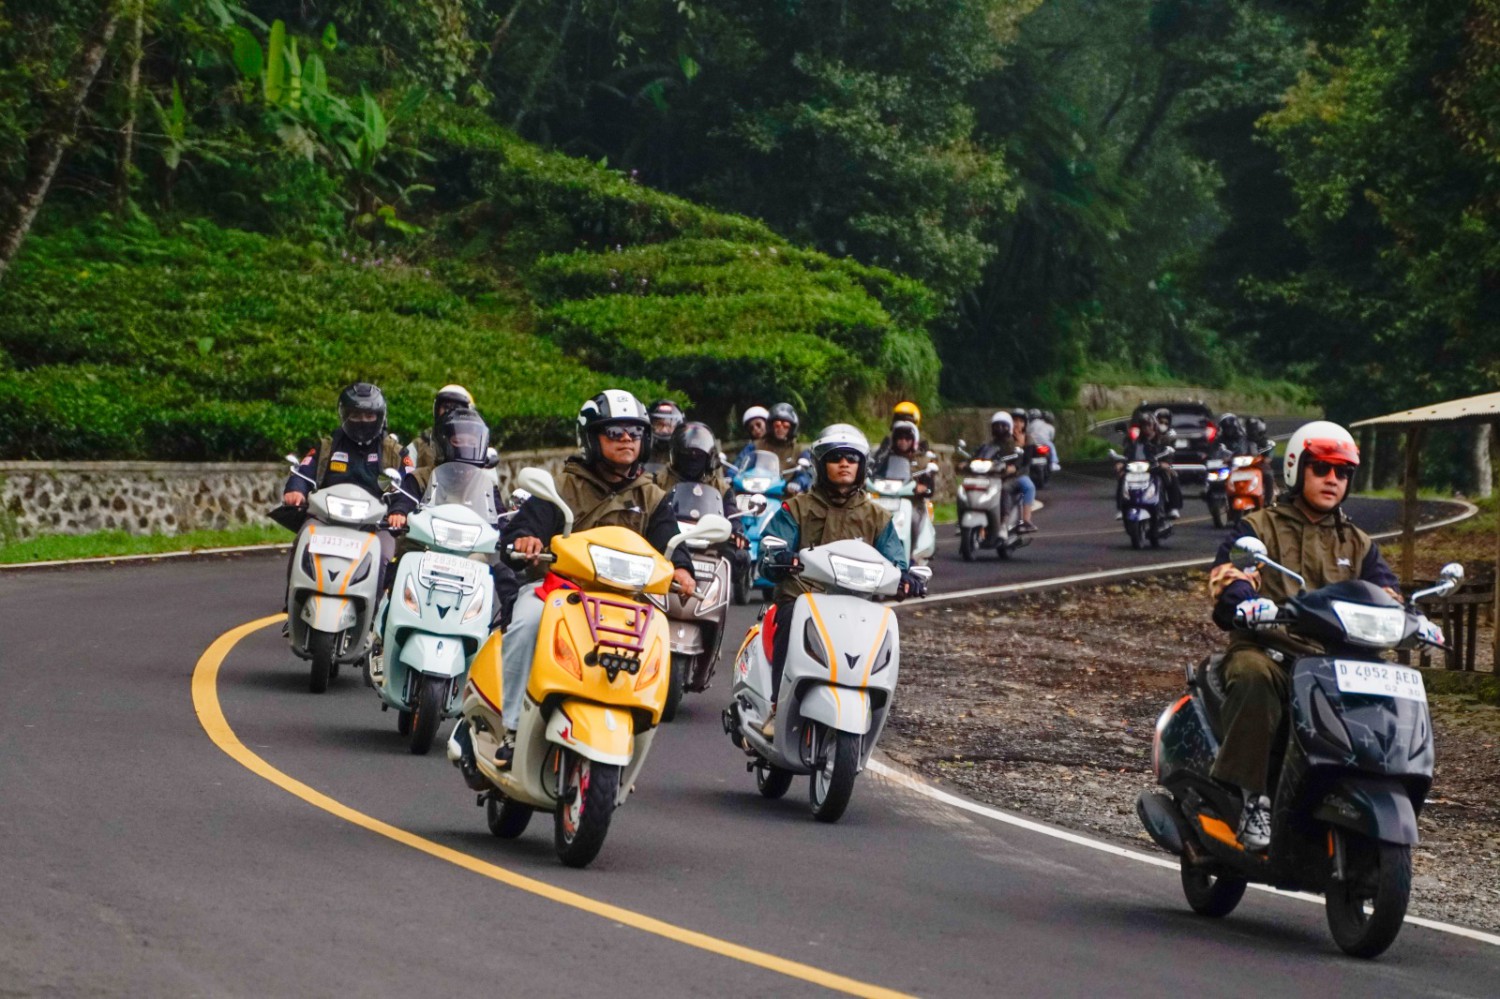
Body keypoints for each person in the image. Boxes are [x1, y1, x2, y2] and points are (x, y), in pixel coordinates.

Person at [1205, 421, 1406, 850]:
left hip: (1339, 663)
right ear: (1298, 469)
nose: (1333, 479)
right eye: (1321, 468)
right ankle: (1248, 798)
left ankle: (1373, 790)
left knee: (1393, 689)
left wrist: (1413, 618)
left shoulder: (1358, 542)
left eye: (1343, 472)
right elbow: (1228, 574)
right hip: (1273, 650)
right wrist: (1244, 599)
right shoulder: (1259, 527)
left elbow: (1387, 591)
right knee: (1253, 677)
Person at [495, 390, 697, 767]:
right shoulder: (563, 485)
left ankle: (632, 730)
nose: (626, 440)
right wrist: (526, 539)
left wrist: (682, 568)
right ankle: (512, 728)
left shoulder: (653, 496)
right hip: (558, 592)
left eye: (634, 434)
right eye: (614, 432)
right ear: (591, 438)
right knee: (525, 624)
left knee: (658, 637)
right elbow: (527, 525)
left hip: (623, 602)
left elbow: (669, 541)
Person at [757, 424, 925, 735]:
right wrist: (779, 558)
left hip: (856, 603)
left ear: (862, 466)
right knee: (791, 618)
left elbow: (896, 560)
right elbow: (771, 547)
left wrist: (906, 577)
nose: (844, 464)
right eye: (836, 458)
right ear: (822, 465)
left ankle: (869, 702)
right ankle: (776, 706)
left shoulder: (877, 516)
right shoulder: (797, 508)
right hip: (802, 597)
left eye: (852, 458)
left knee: (882, 632)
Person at [387, 405, 518, 629]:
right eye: (459, 440)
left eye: (471, 441)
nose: (466, 446)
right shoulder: (421, 477)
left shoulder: (485, 483)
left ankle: (507, 624)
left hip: (470, 553)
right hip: (426, 547)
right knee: (399, 564)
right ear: (443, 441)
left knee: (505, 569)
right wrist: (399, 513)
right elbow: (405, 499)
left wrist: (510, 532)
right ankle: (387, 622)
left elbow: (500, 514)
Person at [280, 382, 408, 608]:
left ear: (380, 416)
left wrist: (399, 511)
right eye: (355, 415)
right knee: (303, 540)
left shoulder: (393, 452)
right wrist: (296, 489)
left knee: (385, 555)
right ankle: (294, 605)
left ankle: (373, 612)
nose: (362, 421)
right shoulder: (328, 446)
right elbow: (304, 470)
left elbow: (408, 484)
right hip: (327, 518)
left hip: (376, 523)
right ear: (344, 414)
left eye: (369, 415)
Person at [655, 421, 748, 548]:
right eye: (687, 454)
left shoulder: (721, 488)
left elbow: (731, 512)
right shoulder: (659, 480)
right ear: (676, 455)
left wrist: (736, 529)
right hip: (668, 539)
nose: (693, 459)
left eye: (699, 455)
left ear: (708, 459)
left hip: (710, 542)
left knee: (741, 557)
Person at [974, 412, 1037, 533]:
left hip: (1019, 474)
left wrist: (1021, 446)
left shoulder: (1027, 439)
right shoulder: (1003, 438)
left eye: (1020, 421)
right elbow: (989, 451)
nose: (1017, 424)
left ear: (1025, 424)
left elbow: (1026, 461)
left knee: (1028, 486)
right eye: (1015, 421)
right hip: (997, 473)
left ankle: (1025, 520)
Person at [1117, 410, 1182, 520]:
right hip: (1140, 468)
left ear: (1153, 426)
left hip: (1157, 468)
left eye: (1148, 425)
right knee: (1123, 478)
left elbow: (1169, 454)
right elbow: (1128, 454)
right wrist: (1121, 463)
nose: (1146, 428)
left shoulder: (1163, 440)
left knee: (1172, 475)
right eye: (1143, 425)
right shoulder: (1136, 442)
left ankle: (1173, 507)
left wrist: (1166, 463)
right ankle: (1121, 508)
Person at [407, 384, 475, 471]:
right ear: (436, 409)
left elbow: (489, 480)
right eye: (446, 407)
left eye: (457, 407)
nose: (450, 411)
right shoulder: (419, 445)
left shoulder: (476, 445)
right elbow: (406, 476)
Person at [761, 402, 813, 493]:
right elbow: (740, 464)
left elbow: (806, 473)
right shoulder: (757, 445)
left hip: (785, 494)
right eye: (777, 425)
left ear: (791, 428)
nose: (781, 429)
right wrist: (731, 476)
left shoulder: (800, 450)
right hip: (756, 490)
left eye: (786, 426)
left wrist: (797, 483)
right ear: (770, 426)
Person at [645, 399, 684, 471]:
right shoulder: (642, 448)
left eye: (669, 425)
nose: (664, 430)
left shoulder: (683, 452)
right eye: (659, 425)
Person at [1027, 407, 1060, 473]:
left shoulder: (1032, 424)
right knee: (1052, 446)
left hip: (1032, 444)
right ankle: (1054, 462)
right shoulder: (1051, 427)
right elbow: (1051, 438)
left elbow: (1027, 433)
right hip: (1044, 445)